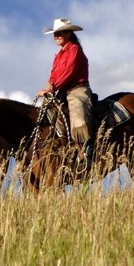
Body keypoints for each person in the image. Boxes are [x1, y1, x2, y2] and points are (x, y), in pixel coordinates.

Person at [36, 18, 95, 166]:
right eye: (54, 34)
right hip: (61, 91)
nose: (55, 36)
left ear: (69, 33)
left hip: (77, 89)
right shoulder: (58, 56)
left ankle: (85, 149)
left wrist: (52, 87)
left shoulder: (74, 50)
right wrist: (48, 85)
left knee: (77, 109)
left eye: (59, 33)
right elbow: (54, 75)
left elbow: (68, 72)